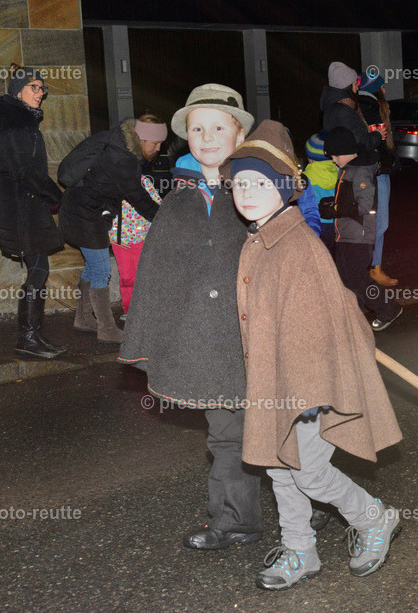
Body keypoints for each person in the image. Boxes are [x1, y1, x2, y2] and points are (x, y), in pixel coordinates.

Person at [226, 121, 403, 591]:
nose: (246, 191)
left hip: (306, 387)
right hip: (274, 382)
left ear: (283, 189)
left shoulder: (298, 246)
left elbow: (316, 328)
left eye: (259, 183)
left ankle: (373, 518)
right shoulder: (259, 239)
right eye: (239, 182)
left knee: (310, 474)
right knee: (278, 468)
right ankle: (301, 550)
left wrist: (306, 396)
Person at [119, 84, 264, 552]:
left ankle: (318, 504)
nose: (206, 136)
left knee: (284, 429)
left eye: (218, 127)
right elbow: (158, 272)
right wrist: (148, 337)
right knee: (225, 435)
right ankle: (235, 521)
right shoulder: (178, 198)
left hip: (259, 334)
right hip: (211, 343)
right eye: (197, 128)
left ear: (239, 134)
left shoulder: (258, 188)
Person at [0, 65, 66, 359]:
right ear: (17, 90)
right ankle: (27, 338)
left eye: (42, 88)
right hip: (23, 209)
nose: (40, 93)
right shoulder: (16, 125)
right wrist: (58, 196)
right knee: (38, 270)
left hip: (26, 206)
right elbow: (25, 170)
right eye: (33, 88)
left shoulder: (21, 121)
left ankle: (33, 336)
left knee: (38, 270)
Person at [59, 115, 164, 343]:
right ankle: (106, 328)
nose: (158, 148)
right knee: (101, 270)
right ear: (143, 138)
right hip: (84, 215)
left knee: (93, 266)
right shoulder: (123, 159)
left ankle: (84, 318)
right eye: (155, 143)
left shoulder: (116, 139)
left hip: (84, 211)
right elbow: (139, 198)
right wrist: (165, 218)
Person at [323, 126, 402, 331]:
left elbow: (365, 205)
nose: (333, 160)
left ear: (347, 152)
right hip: (346, 234)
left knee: (357, 279)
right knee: (345, 279)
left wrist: (337, 209)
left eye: (335, 155)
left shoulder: (361, 171)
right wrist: (333, 204)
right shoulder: (349, 168)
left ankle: (389, 309)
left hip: (359, 235)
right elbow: (349, 200)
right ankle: (354, 318)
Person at [357, 70, 400, 287]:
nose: (385, 90)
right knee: (380, 223)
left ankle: (372, 267)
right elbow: (379, 142)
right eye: (382, 86)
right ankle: (373, 268)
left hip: (374, 172)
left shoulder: (365, 106)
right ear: (375, 89)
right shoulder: (371, 108)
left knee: (374, 221)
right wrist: (389, 162)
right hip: (377, 173)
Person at [108, 172, 162, 314]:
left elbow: (156, 204)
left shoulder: (143, 180)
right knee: (127, 276)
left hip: (141, 235)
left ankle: (144, 309)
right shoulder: (109, 180)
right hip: (118, 237)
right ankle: (129, 310)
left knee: (142, 274)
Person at [296, 131, 339, 255]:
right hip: (335, 224)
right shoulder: (338, 173)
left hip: (316, 225)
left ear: (310, 157)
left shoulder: (306, 177)